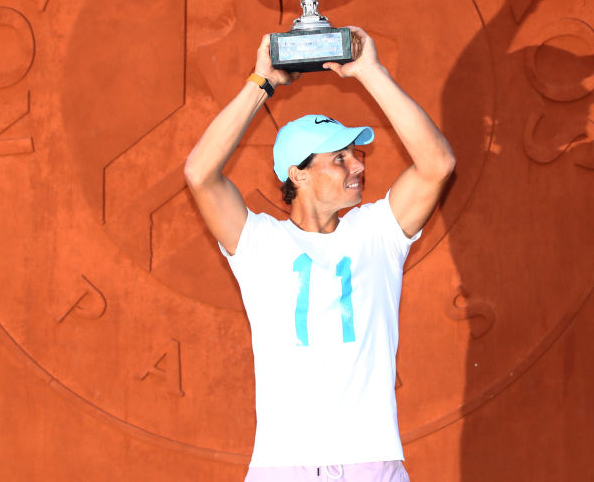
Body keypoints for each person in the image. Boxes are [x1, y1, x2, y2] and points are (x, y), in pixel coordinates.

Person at [184, 26, 456, 481]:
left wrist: (370, 72)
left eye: (358, 155)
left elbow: (437, 165)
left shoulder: (377, 233)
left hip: (371, 463)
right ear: (299, 173)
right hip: (283, 466)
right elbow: (199, 172)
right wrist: (261, 83)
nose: (358, 166)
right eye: (340, 158)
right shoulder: (258, 243)